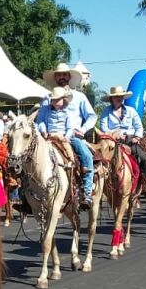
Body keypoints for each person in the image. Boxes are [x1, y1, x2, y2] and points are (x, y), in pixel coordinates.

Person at [42, 62, 97, 206]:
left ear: (69, 76)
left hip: (71, 136)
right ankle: (27, 195)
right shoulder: (47, 98)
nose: (62, 77)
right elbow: (40, 120)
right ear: (55, 77)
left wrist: (83, 130)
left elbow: (92, 116)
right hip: (49, 137)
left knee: (86, 155)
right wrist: (43, 131)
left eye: (64, 74)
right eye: (59, 74)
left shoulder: (79, 97)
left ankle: (87, 192)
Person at [100, 86, 146, 193]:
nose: (119, 98)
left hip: (130, 139)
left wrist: (137, 137)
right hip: (113, 140)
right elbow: (103, 128)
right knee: (100, 159)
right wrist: (115, 134)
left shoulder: (131, 111)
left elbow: (139, 126)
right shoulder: (106, 111)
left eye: (121, 96)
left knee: (144, 158)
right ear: (111, 99)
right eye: (116, 97)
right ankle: (98, 187)